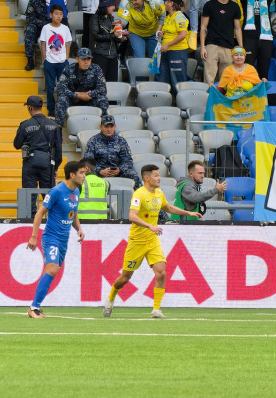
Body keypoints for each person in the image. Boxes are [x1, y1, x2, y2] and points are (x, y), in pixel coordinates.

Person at [104, 165, 202, 319]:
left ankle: (156, 309)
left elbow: (168, 207)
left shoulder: (159, 193)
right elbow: (132, 216)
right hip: (137, 241)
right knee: (125, 277)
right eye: (156, 175)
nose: (159, 178)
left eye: (159, 175)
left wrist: (188, 212)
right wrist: (150, 225)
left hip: (152, 240)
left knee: (161, 272)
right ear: (147, 178)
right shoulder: (139, 194)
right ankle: (110, 298)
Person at [24, 159, 86, 318]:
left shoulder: (76, 192)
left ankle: (36, 307)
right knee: (51, 269)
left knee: (53, 271)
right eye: (81, 173)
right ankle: (33, 308)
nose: (84, 176)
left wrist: (79, 229)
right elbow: (40, 213)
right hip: (51, 237)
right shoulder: (57, 191)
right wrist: (33, 236)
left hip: (64, 240)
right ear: (72, 175)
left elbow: (73, 214)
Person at [199, 0, 244, 84]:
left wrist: (241, 47)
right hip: (212, 46)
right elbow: (203, 27)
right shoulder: (209, 5)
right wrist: (202, 47)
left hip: (228, 47)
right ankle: (208, 100)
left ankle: (222, 101)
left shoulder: (234, 6)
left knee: (225, 82)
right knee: (209, 81)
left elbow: (237, 29)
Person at [13, 96, 63, 189]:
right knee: (48, 197)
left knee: (29, 197)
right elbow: (59, 150)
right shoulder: (54, 125)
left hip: (30, 162)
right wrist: (55, 168)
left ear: (30, 107)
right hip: (47, 163)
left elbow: (16, 145)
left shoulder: (25, 125)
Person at [54, 48, 108, 124]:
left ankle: (105, 126)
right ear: (77, 59)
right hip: (73, 100)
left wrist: (88, 95)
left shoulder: (96, 69)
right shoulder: (69, 69)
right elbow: (60, 88)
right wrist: (76, 96)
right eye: (83, 59)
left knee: (103, 99)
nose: (86, 62)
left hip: (89, 99)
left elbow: (102, 89)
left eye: (88, 59)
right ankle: (58, 128)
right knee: (61, 99)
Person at [84, 114, 139, 188]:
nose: (109, 129)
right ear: (101, 127)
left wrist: (119, 169)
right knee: (86, 176)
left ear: (115, 127)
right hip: (99, 172)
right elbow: (88, 161)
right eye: (106, 126)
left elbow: (128, 160)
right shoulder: (93, 141)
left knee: (133, 175)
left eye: (111, 126)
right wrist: (100, 170)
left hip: (118, 171)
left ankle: (134, 199)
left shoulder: (121, 141)